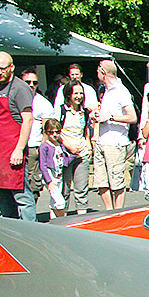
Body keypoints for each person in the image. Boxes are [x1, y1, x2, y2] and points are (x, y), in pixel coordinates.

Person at [0, 51, 36, 220]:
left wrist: (19, 150)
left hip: (13, 150)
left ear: (11, 67)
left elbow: (27, 120)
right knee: (2, 196)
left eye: (3, 68)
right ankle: (10, 232)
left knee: (21, 195)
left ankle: (30, 232)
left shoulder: (20, 89)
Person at [90, 59, 137, 210]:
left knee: (116, 182)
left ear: (103, 71)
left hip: (116, 143)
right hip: (101, 141)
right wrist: (96, 115)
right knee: (101, 182)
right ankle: (108, 212)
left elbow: (132, 117)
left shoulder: (121, 91)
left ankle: (118, 213)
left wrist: (109, 118)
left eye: (98, 71)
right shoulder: (104, 90)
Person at [20, 69, 57, 209]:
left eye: (34, 82)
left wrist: (41, 151)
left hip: (33, 147)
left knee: (33, 183)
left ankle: (30, 213)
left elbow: (46, 130)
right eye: (27, 82)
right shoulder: (16, 100)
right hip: (17, 146)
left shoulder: (43, 103)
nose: (31, 85)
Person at [57, 80, 93, 214]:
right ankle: (62, 215)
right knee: (64, 189)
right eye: (75, 93)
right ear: (68, 95)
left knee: (82, 189)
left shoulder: (85, 112)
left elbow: (86, 130)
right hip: (66, 154)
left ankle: (81, 216)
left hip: (82, 153)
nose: (79, 96)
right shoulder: (61, 111)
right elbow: (55, 132)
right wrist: (68, 146)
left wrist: (88, 146)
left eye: (81, 93)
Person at [37, 118, 67, 218]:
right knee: (60, 202)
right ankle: (63, 220)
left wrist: (77, 154)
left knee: (54, 202)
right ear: (46, 132)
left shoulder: (60, 145)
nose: (54, 134)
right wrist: (49, 181)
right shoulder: (45, 146)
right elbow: (43, 165)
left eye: (57, 131)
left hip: (59, 176)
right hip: (51, 176)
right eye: (51, 132)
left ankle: (54, 222)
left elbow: (65, 160)